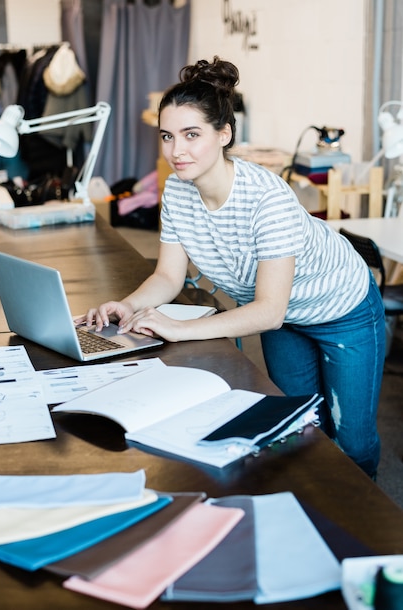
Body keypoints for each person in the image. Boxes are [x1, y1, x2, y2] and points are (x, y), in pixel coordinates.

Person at [81, 56, 386, 478]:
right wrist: (127, 307)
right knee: (298, 426)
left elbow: (268, 310)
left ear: (223, 134)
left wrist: (180, 328)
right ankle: (316, 513)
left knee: (352, 441)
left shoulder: (267, 199)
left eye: (192, 135)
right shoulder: (177, 190)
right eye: (168, 136)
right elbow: (169, 276)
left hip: (341, 311)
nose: (177, 151)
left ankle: (366, 523)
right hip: (284, 319)